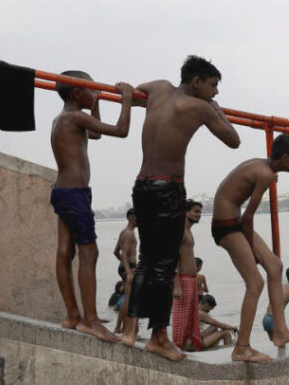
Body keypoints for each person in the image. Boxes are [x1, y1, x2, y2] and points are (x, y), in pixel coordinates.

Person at [122, 55, 241, 361]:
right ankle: (159, 338)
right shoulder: (200, 107)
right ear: (196, 82)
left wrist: (135, 99)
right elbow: (233, 140)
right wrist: (216, 109)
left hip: (142, 185)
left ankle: (130, 331)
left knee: (146, 262)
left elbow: (137, 91)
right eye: (213, 86)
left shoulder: (158, 88)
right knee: (164, 266)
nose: (216, 92)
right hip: (168, 188)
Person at [211, 134, 289, 363]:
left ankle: (281, 330)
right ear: (284, 157)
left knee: (275, 265)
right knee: (255, 283)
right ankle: (241, 348)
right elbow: (248, 218)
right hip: (227, 226)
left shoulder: (263, 167)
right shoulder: (265, 174)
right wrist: (251, 249)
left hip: (233, 221)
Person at [50, 71, 133, 343]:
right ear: (77, 93)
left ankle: (73, 315)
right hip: (75, 194)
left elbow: (95, 135)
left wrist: (96, 101)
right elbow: (121, 131)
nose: (96, 93)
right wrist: (126, 98)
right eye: (92, 89)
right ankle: (90, 321)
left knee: (65, 251)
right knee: (89, 253)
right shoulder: (75, 117)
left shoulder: (64, 118)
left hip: (63, 191)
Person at [172, 199, 205, 351]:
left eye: (200, 212)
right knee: (181, 320)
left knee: (190, 320)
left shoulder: (188, 231)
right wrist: (177, 285)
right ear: (185, 212)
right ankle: (177, 350)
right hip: (183, 281)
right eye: (196, 211)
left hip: (191, 280)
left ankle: (184, 351)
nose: (199, 214)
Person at [114, 208, 138, 334]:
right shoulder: (129, 234)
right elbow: (123, 253)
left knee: (129, 298)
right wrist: (128, 270)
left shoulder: (123, 232)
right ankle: (118, 327)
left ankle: (124, 328)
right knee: (129, 299)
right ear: (132, 217)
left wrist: (124, 265)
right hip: (129, 267)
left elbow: (115, 252)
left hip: (125, 266)